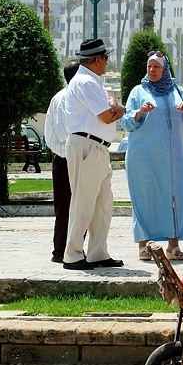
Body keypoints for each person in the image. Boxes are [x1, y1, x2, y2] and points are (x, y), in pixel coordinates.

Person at [59, 38, 126, 271]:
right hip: (87, 146)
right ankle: (73, 254)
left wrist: (114, 107)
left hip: (96, 147)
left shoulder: (91, 81)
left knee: (102, 203)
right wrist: (121, 109)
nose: (107, 62)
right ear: (97, 59)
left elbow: (109, 108)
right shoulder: (86, 82)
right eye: (105, 58)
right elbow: (107, 115)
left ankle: (98, 252)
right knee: (83, 202)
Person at [120, 51, 183, 261]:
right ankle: (143, 245)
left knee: (177, 196)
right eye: (149, 66)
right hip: (144, 156)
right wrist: (140, 112)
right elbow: (125, 122)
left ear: (165, 69)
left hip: (175, 157)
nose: (152, 70)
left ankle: (174, 246)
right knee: (145, 196)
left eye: (156, 67)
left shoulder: (178, 90)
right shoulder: (138, 91)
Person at [44, 61, 80, 263]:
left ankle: (75, 248)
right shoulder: (63, 99)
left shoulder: (74, 98)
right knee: (65, 207)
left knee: (79, 206)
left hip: (74, 157)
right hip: (66, 158)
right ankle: (61, 251)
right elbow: (62, 132)